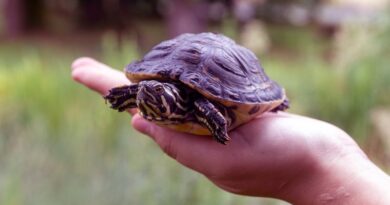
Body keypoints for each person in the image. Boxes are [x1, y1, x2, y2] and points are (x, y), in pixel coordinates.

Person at [71, 57, 390, 205]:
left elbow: (205, 105)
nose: (145, 96)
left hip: (224, 79)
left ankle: (273, 101)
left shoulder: (200, 104)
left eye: (156, 95)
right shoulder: (150, 92)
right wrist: (128, 92)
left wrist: (321, 164)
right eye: (145, 93)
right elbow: (143, 89)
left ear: (175, 100)